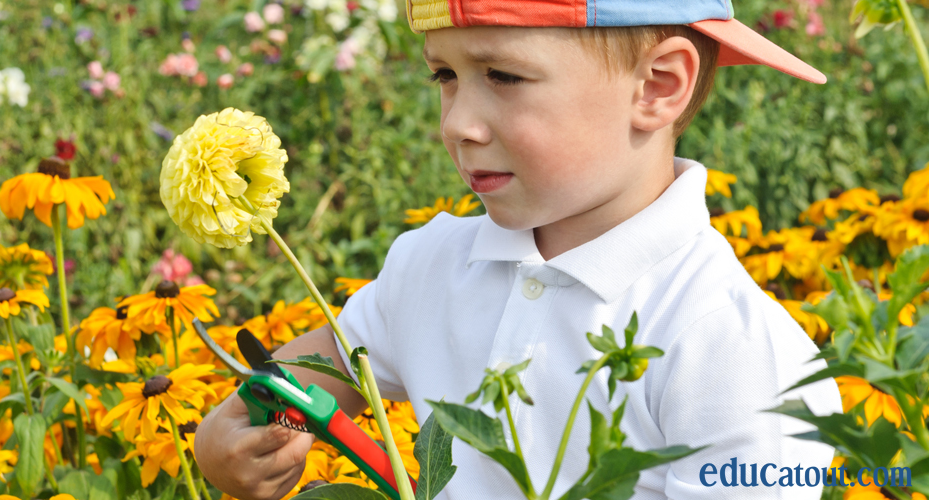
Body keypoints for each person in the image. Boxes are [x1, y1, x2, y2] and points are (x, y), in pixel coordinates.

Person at [195, 1, 843, 498]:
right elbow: (328, 365)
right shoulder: (430, 265)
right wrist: (228, 436)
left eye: (502, 75)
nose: (457, 123)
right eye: (445, 75)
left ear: (657, 86)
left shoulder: (735, 353)